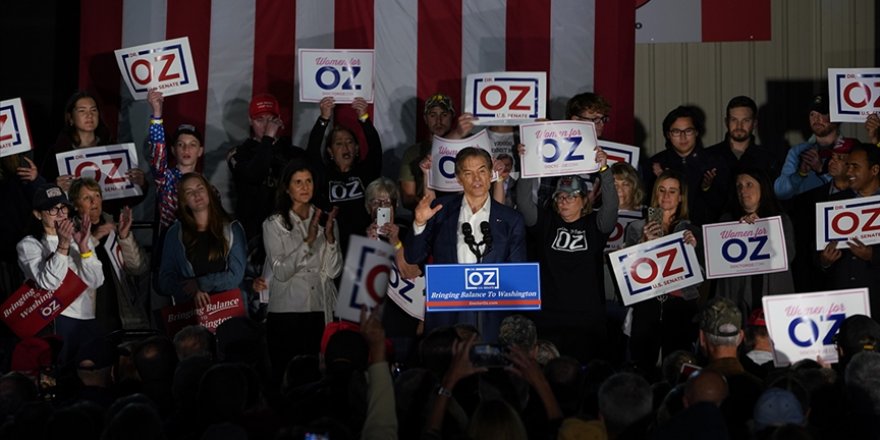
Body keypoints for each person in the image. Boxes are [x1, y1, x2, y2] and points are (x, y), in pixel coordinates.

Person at [405, 147, 527, 341]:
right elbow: (413, 257)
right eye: (468, 173)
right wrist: (419, 223)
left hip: (492, 317)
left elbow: (518, 275)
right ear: (458, 178)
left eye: (482, 171)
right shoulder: (440, 211)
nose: (476, 179)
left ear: (491, 174)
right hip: (447, 314)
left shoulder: (510, 219)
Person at [515, 147, 618, 363]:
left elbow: (611, 206)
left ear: (584, 200)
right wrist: (526, 164)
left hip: (587, 320)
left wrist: (604, 170)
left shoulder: (595, 225)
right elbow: (524, 203)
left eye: (571, 196)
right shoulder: (546, 223)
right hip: (549, 318)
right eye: (560, 196)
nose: (564, 200)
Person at [252, 161, 341, 379]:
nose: (304, 187)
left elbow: (333, 271)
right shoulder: (274, 224)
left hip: (320, 309)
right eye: (298, 182)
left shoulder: (325, 221)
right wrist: (308, 243)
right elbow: (281, 272)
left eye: (308, 181)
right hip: (286, 312)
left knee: (317, 377)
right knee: (287, 376)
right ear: (287, 187)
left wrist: (329, 240)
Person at [624, 169, 701, 375]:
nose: (666, 196)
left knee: (678, 366)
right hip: (647, 304)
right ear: (655, 194)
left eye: (672, 191)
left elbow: (700, 278)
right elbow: (627, 273)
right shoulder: (636, 227)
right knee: (642, 366)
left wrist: (692, 252)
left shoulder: (691, 230)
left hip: (679, 305)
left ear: (680, 197)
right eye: (662, 190)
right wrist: (643, 244)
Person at [17, 183, 104, 364]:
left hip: (87, 317)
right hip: (56, 320)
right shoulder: (29, 245)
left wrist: (84, 248)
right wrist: (63, 245)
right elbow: (48, 282)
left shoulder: (78, 237)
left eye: (63, 208)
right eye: (52, 209)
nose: (60, 214)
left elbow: (96, 281)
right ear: (38, 214)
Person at [41, 91, 147, 212]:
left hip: (106, 223)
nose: (89, 115)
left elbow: (126, 199)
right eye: (82, 111)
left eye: (93, 110)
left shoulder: (113, 150)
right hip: (69, 223)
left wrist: (140, 184)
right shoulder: (56, 153)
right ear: (70, 118)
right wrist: (55, 187)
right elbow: (41, 194)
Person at [68, 178, 150, 332]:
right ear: (75, 205)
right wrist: (92, 239)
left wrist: (125, 237)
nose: (94, 201)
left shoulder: (114, 224)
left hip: (122, 313)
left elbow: (138, 268)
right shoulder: (70, 232)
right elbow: (70, 273)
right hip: (90, 314)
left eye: (97, 195)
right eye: (87, 198)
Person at [158, 173, 246, 309]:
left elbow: (236, 275)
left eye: (200, 189)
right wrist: (191, 289)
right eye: (189, 192)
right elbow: (165, 280)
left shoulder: (232, 229)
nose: (196, 195)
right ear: (184, 200)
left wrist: (201, 283)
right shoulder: (174, 233)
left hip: (228, 311)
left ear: (209, 191)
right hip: (191, 314)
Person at [306, 96, 382, 255]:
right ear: (330, 151)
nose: (345, 147)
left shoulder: (366, 172)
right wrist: (324, 118)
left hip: (365, 246)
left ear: (356, 148)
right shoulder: (324, 175)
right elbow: (312, 153)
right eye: (338, 143)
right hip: (332, 247)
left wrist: (364, 117)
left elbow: (375, 150)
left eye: (349, 142)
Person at [226, 93, 306, 243]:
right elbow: (255, 175)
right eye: (260, 120)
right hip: (252, 234)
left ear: (279, 120)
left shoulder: (294, 153)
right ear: (250, 121)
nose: (266, 125)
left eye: (271, 120)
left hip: (289, 233)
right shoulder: (238, 153)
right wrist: (268, 139)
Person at [714, 169, 795, 315]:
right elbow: (717, 262)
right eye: (739, 186)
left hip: (773, 297)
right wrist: (739, 230)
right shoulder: (726, 221)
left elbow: (788, 255)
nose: (743, 190)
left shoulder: (781, 220)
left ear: (762, 187)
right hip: (736, 300)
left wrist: (762, 228)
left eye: (749, 184)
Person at [820, 144, 880, 318]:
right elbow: (814, 252)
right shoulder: (833, 203)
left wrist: (872, 255)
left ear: (874, 169)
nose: (848, 172)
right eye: (848, 166)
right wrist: (825, 261)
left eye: (855, 166)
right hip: (840, 304)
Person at [646, 105, 722, 225]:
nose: (683, 137)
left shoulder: (714, 163)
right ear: (668, 134)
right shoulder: (655, 164)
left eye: (688, 131)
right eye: (676, 131)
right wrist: (660, 182)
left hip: (703, 234)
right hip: (666, 235)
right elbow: (648, 206)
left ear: (696, 132)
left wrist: (707, 189)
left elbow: (723, 208)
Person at [774, 93, 857, 200]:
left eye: (822, 113)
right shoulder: (798, 151)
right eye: (812, 114)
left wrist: (821, 169)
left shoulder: (852, 148)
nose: (816, 119)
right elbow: (781, 193)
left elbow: (856, 188)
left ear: (836, 117)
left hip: (839, 213)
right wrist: (800, 173)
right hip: (806, 213)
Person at [147, 89, 206, 233]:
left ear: (200, 151)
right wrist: (157, 114)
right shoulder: (166, 179)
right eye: (181, 144)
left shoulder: (207, 188)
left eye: (192, 144)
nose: (186, 149)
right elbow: (157, 155)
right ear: (173, 150)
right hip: (170, 246)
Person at [705, 96, 780, 196]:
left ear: (754, 123)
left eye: (746, 120)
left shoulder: (768, 160)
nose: (739, 126)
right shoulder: (707, 157)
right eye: (734, 120)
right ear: (726, 122)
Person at [399, 94, 457, 210]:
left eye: (444, 115)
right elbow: (407, 199)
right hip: (425, 218)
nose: (438, 121)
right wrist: (431, 206)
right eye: (433, 115)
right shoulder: (412, 153)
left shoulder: (466, 147)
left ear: (452, 117)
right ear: (425, 119)